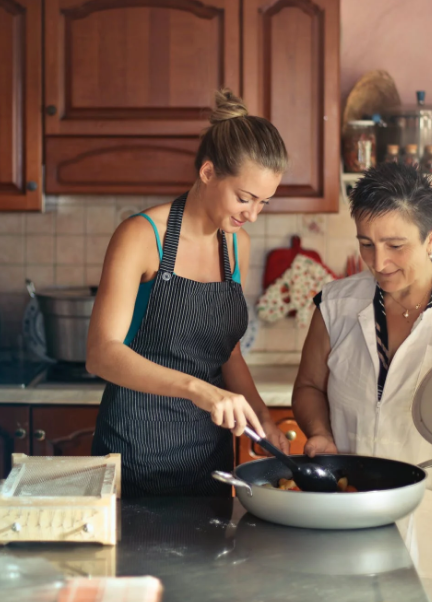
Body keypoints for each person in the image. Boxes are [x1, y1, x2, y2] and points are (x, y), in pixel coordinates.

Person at [292, 162, 432, 601]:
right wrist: (319, 433)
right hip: (352, 515)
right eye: (366, 244)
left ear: (431, 238)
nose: (379, 262)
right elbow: (309, 387)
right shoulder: (334, 305)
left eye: (396, 245)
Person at [87, 89, 291, 497]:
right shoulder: (141, 236)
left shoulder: (237, 245)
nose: (252, 214)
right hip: (135, 451)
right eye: (244, 198)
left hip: (209, 459)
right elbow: (101, 354)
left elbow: (226, 352)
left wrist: (263, 417)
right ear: (208, 173)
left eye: (264, 202)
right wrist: (198, 389)